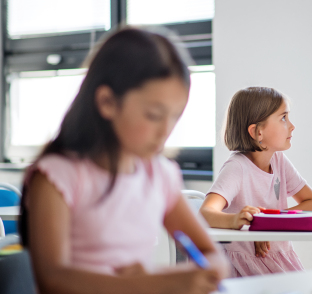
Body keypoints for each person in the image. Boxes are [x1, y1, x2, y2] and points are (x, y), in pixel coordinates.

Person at [19, 28, 228, 294]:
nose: (166, 130)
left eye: (175, 117)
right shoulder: (57, 176)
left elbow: (213, 255)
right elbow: (54, 279)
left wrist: (165, 276)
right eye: (154, 115)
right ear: (107, 102)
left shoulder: (160, 174)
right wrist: (153, 283)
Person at [200, 87, 312, 277]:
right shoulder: (237, 167)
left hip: (279, 259)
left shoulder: (279, 160)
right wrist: (239, 221)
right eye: (283, 118)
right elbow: (206, 213)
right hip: (246, 266)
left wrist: (268, 223)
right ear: (257, 132)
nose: (292, 126)